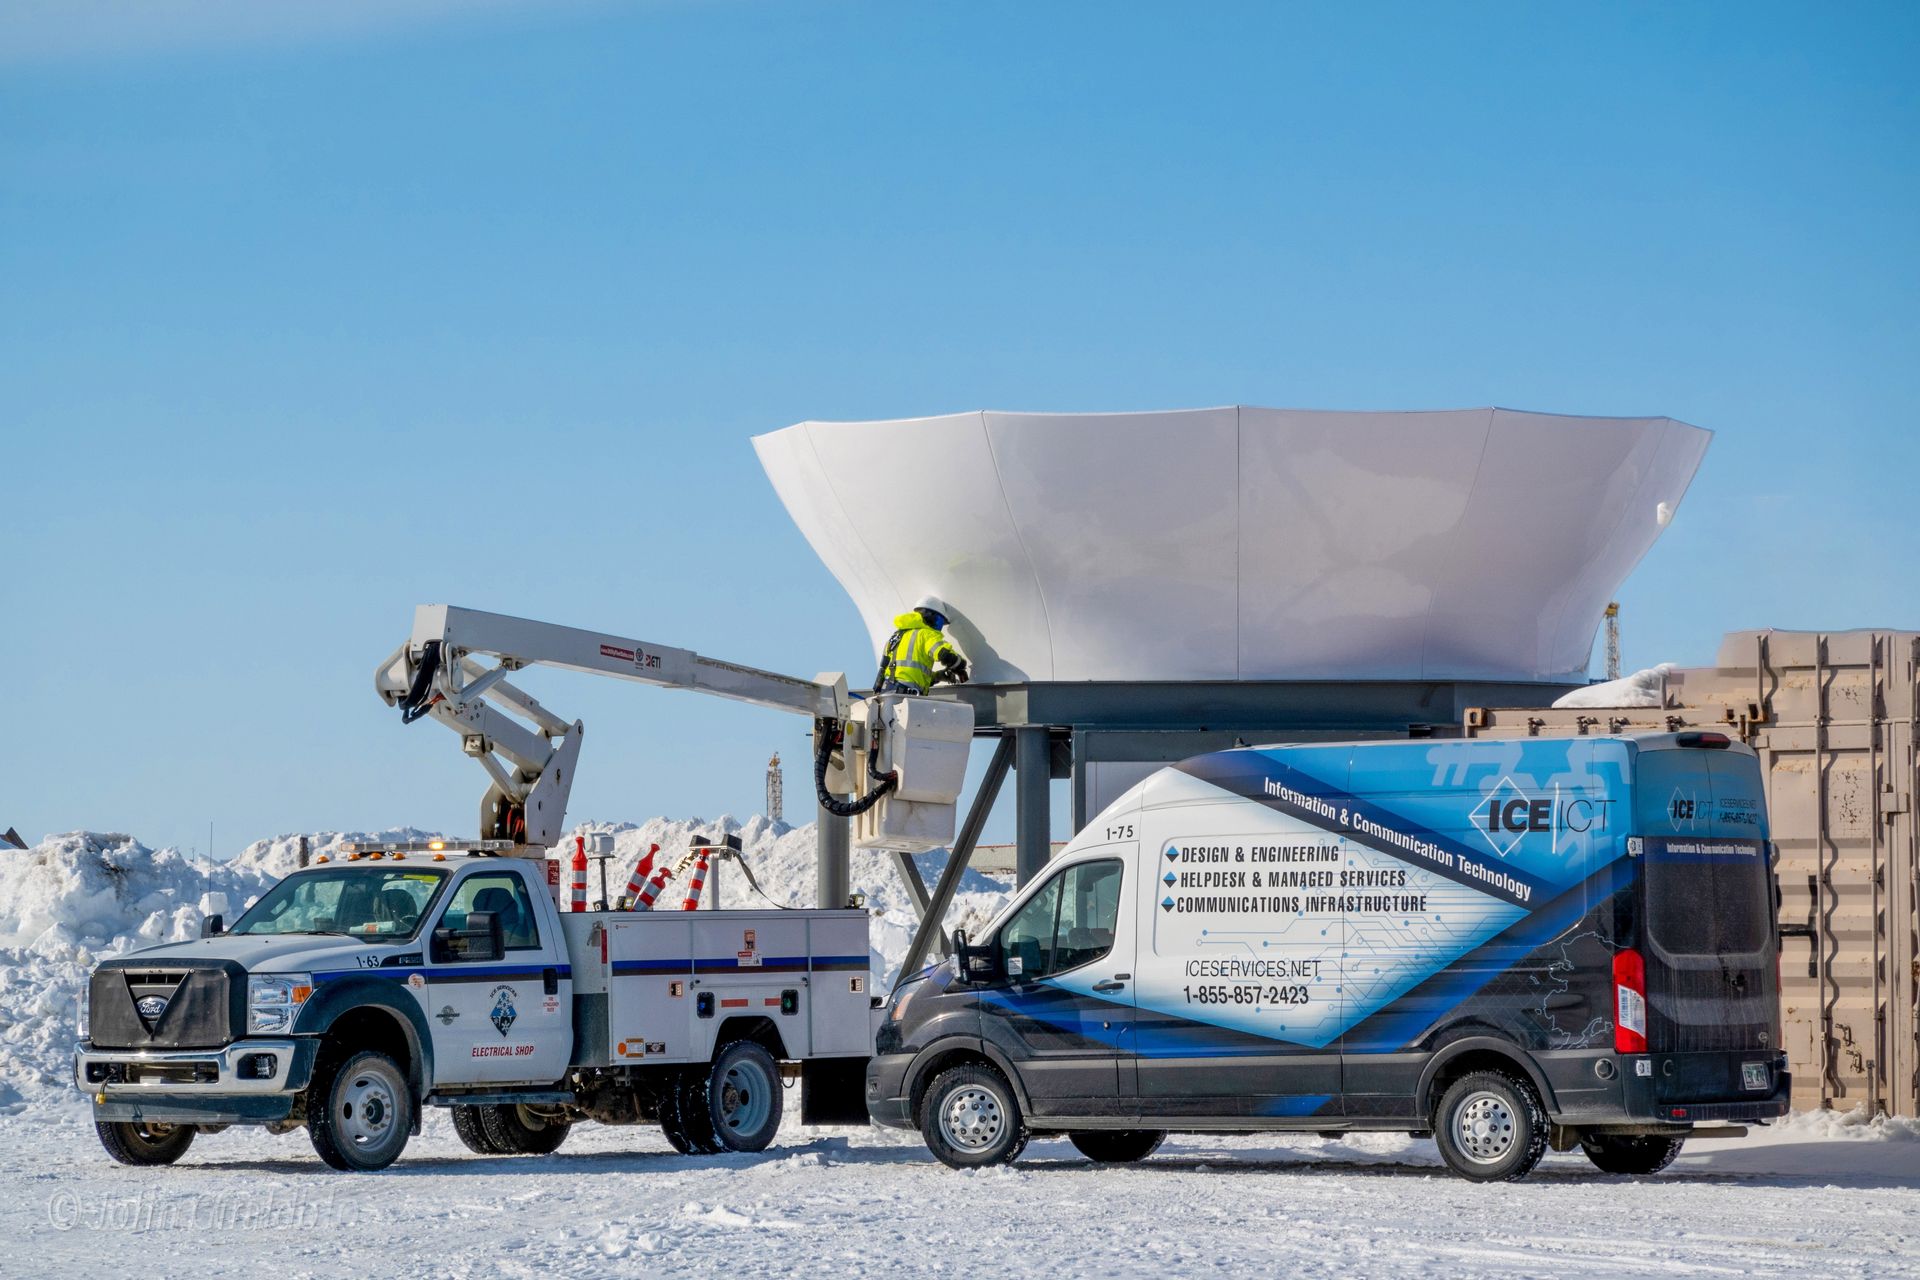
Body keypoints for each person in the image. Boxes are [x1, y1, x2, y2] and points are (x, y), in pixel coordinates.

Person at [876, 594, 970, 694]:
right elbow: (944, 654)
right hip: (906, 698)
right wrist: (960, 665)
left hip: (887, 694)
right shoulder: (925, 634)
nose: (938, 627)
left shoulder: (895, 637)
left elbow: (908, 674)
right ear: (929, 616)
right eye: (939, 622)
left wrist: (938, 676)